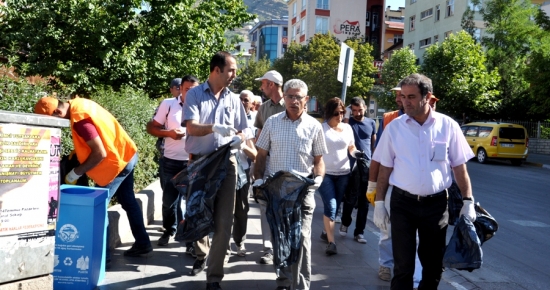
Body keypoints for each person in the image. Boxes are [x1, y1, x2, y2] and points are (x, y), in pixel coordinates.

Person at [372, 73, 476, 289]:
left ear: (427, 97)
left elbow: (459, 167)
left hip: (436, 206)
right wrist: (379, 203)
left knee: (433, 266)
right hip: (402, 204)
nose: (404, 101)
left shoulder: (448, 126)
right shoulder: (395, 128)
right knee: (403, 267)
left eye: (411, 97)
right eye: (403, 96)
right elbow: (385, 168)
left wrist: (468, 201)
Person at [34, 96, 152, 259]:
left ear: (57, 111)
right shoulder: (81, 104)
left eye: (53, 120)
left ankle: (102, 257)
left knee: (98, 209)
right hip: (126, 154)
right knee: (128, 200)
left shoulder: (80, 120)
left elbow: (100, 153)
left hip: (115, 164)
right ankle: (143, 243)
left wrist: (76, 172)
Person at [182, 51, 248, 290]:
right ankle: (201, 255)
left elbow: (244, 129)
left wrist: (241, 138)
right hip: (201, 162)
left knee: (224, 221)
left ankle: (214, 277)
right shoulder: (195, 95)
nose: (234, 74)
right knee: (198, 215)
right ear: (216, 70)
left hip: (227, 163)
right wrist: (215, 128)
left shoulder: (233, 99)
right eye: (231, 70)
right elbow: (192, 127)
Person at [254, 79, 327, 290]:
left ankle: (302, 285)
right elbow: (261, 155)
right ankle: (284, 281)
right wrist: (259, 179)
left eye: (298, 97)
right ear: (284, 97)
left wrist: (319, 179)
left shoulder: (314, 126)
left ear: (306, 99)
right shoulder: (272, 122)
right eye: (290, 96)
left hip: (303, 190)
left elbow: (319, 160)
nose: (293, 101)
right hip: (276, 191)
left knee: (303, 238)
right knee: (280, 236)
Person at [146, 75, 199, 249]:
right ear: (180, 89)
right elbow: (151, 128)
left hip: (193, 163)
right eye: (187, 89)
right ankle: (169, 230)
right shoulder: (168, 104)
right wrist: (169, 134)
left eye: (194, 89)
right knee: (169, 202)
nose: (190, 93)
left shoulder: (202, 106)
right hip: (170, 161)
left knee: (193, 204)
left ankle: (190, 240)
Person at [318, 98, 359, 255]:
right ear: (329, 113)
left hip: (344, 174)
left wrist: (357, 154)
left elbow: (351, 147)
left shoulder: (347, 128)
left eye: (342, 112)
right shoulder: (321, 128)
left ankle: (325, 232)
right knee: (332, 206)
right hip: (325, 173)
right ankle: (331, 242)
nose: (340, 116)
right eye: (336, 113)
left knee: (335, 209)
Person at [253, 69, 285, 265]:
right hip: (267, 162)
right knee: (265, 207)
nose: (261, 87)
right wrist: (257, 168)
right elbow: (258, 139)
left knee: (283, 206)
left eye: (263, 84)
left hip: (285, 163)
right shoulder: (263, 109)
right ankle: (268, 248)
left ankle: (282, 244)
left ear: (271, 84)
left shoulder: (290, 105)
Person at [339, 97, 376, 245]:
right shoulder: (348, 123)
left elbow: (373, 145)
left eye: (359, 110)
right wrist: (347, 114)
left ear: (365, 108)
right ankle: (345, 222)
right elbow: (343, 131)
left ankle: (359, 232)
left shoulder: (371, 123)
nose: (357, 113)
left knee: (365, 201)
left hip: (367, 165)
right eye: (354, 110)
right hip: (352, 164)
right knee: (350, 197)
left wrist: (374, 164)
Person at [230, 90, 258, 258]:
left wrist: (242, 145)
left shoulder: (252, 124)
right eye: (240, 99)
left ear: (252, 104)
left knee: (241, 208)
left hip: (243, 171)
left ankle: (240, 242)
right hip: (226, 169)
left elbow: (254, 154)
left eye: (245, 100)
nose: (242, 102)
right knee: (225, 208)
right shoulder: (229, 119)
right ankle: (224, 244)